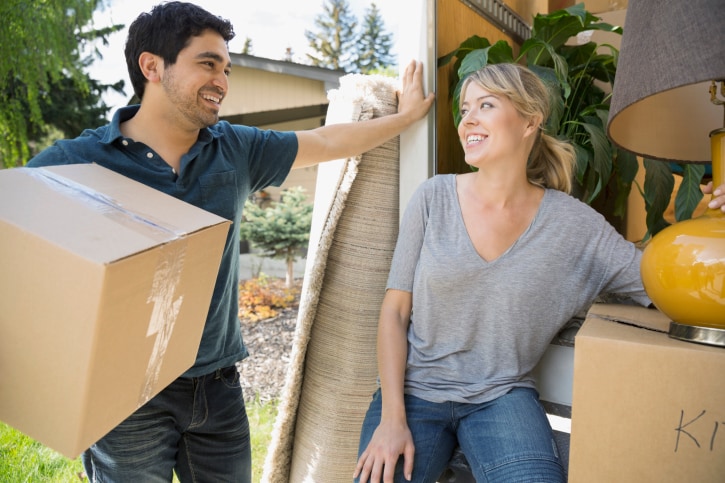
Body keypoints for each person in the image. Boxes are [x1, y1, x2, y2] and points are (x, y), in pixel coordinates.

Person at [27, 2, 434, 481]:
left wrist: (405, 119)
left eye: (226, 68)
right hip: (125, 400)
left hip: (218, 389)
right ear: (152, 66)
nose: (221, 80)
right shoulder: (81, 160)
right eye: (207, 63)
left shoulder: (234, 149)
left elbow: (325, 142)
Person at [353, 62, 725, 483]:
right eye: (465, 108)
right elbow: (395, 312)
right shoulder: (433, 197)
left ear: (530, 120)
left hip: (501, 397)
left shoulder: (574, 226)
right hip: (414, 393)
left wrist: (717, 223)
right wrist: (392, 419)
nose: (467, 120)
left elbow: (669, 278)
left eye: (486, 105)